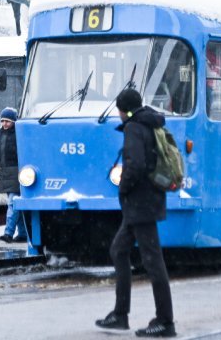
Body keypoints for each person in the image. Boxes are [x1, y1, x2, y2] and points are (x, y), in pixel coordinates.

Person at [95, 88, 175, 338]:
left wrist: (124, 188)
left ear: (123, 110)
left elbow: (136, 164)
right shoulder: (150, 123)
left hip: (141, 202)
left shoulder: (133, 127)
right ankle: (120, 314)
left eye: (119, 111)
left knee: (153, 261)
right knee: (119, 250)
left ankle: (165, 322)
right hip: (147, 200)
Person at [0, 107, 27, 243]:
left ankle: (8, 233)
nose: (4, 124)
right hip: (6, 172)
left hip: (17, 172)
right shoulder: (0, 133)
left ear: (14, 121)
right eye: (2, 121)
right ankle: (23, 234)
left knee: (13, 204)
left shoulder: (19, 133)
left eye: (7, 121)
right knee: (16, 205)